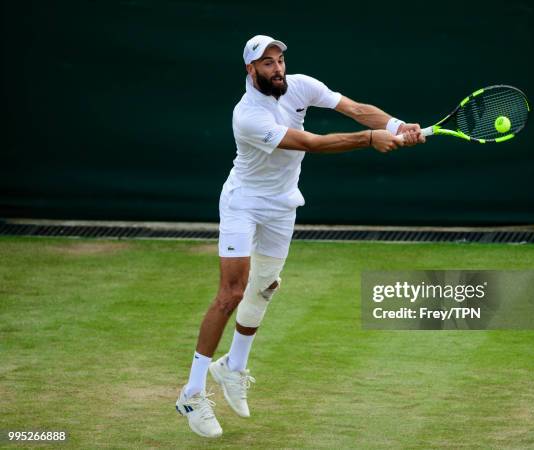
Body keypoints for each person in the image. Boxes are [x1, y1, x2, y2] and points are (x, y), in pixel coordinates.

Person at [175, 34, 426, 438]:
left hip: (283, 204)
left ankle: (233, 368)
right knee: (232, 293)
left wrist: (397, 126)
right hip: (244, 203)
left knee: (266, 285)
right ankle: (191, 392)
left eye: (279, 60)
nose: (277, 68)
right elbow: (310, 143)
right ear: (250, 69)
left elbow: (357, 109)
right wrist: (369, 140)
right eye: (267, 63)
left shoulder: (302, 86)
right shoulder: (247, 116)